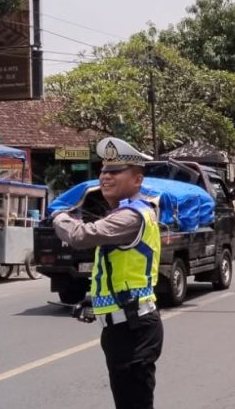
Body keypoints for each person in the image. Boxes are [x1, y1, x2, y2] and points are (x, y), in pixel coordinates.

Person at [52, 137, 163, 409]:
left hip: (134, 330)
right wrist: (95, 300)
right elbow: (115, 270)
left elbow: (81, 235)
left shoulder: (131, 216)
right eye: (103, 171)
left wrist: (59, 217)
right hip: (122, 327)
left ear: (137, 180)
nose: (105, 177)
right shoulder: (121, 213)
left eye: (115, 172)